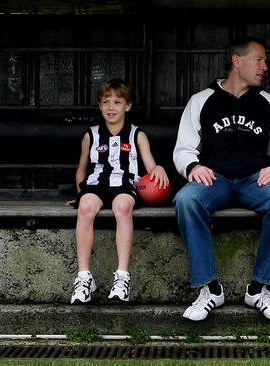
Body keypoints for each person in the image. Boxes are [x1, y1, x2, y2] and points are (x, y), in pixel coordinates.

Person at [173, 37, 270, 322]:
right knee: (186, 199)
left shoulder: (269, 104)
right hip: (214, 179)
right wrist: (193, 166)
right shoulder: (201, 101)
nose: (265, 67)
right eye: (259, 60)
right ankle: (209, 288)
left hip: (255, 180)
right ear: (237, 61)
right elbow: (183, 150)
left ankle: (260, 288)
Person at [69, 78, 169, 304]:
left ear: (128, 105)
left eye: (117, 102)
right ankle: (84, 277)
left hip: (124, 183)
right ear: (99, 105)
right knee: (85, 207)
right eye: (106, 102)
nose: (111, 107)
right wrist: (80, 193)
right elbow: (82, 170)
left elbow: (150, 166)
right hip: (96, 183)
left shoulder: (137, 134)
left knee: (122, 206)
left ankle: (122, 276)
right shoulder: (91, 135)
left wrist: (159, 168)